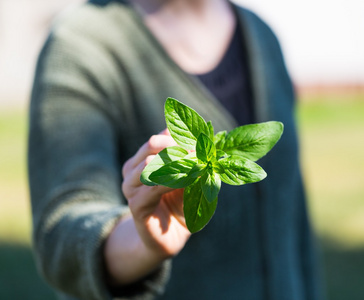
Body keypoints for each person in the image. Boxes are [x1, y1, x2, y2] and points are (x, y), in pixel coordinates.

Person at [28, 0, 323, 299]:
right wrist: (143, 243)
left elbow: (294, 219)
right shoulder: (80, 43)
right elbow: (62, 236)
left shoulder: (261, 36)